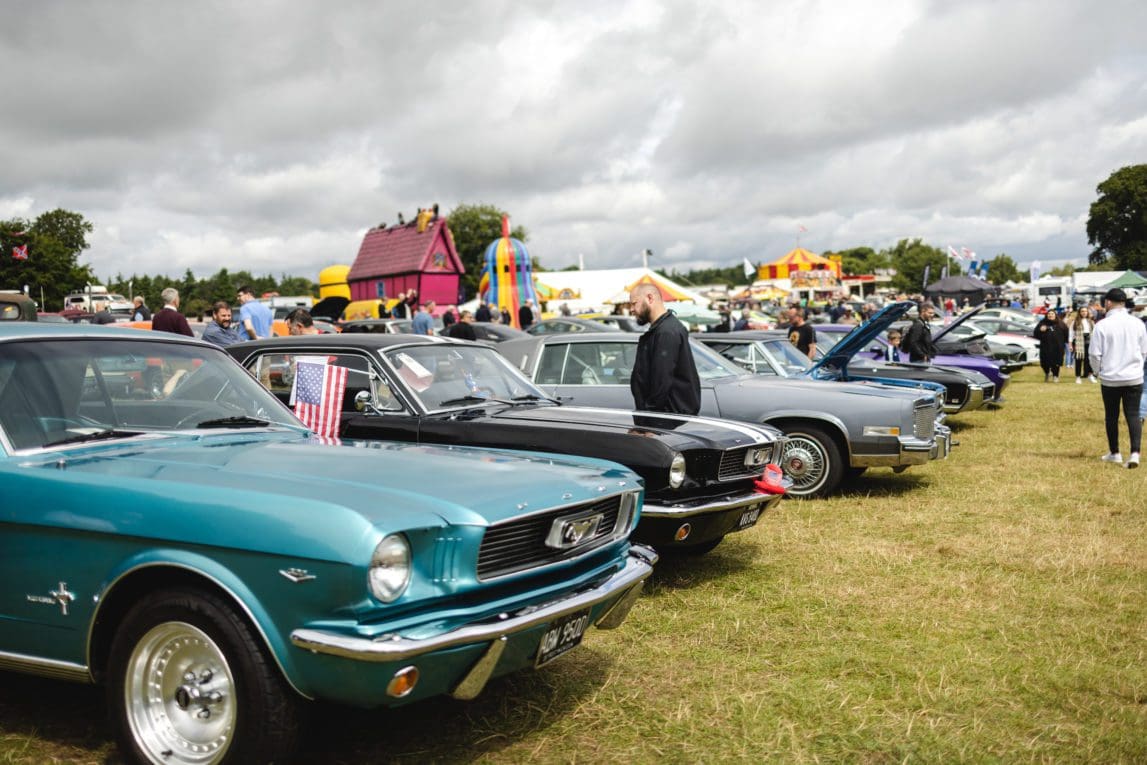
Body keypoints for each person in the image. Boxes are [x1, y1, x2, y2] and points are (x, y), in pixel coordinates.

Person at [1089, 288, 1147, 468]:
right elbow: (1144, 351)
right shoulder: (1137, 323)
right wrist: (1137, 367)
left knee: (1111, 416)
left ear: (1108, 303)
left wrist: (1098, 371)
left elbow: (1094, 355)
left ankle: (1115, 452)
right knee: (1133, 415)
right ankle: (1135, 453)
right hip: (1134, 377)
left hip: (1111, 378)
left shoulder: (1102, 325)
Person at [629, 283, 700, 414]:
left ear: (650, 298)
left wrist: (650, 421)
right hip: (664, 418)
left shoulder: (666, 331)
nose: (631, 309)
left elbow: (661, 380)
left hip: (665, 419)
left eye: (634, 303)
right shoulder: (663, 329)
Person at [1033, 309, 1067, 382]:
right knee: (1044, 363)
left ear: (1055, 315)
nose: (1050, 315)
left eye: (1052, 314)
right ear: (1046, 315)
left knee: (1056, 363)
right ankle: (1047, 373)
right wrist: (1040, 330)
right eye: (1049, 314)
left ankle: (1055, 376)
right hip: (1045, 347)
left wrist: (1065, 343)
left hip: (1057, 347)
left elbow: (1066, 334)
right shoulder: (1042, 323)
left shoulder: (1061, 324)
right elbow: (1035, 334)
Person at [1068, 306, 1096, 383]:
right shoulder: (1075, 322)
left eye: (1085, 311)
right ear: (1079, 313)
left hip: (1089, 341)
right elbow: (1071, 333)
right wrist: (1070, 344)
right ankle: (1078, 377)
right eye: (1082, 311)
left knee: (1089, 359)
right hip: (1079, 342)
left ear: (1087, 312)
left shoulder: (1090, 321)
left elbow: (1094, 333)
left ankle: (1090, 375)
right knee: (1078, 359)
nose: (1084, 313)